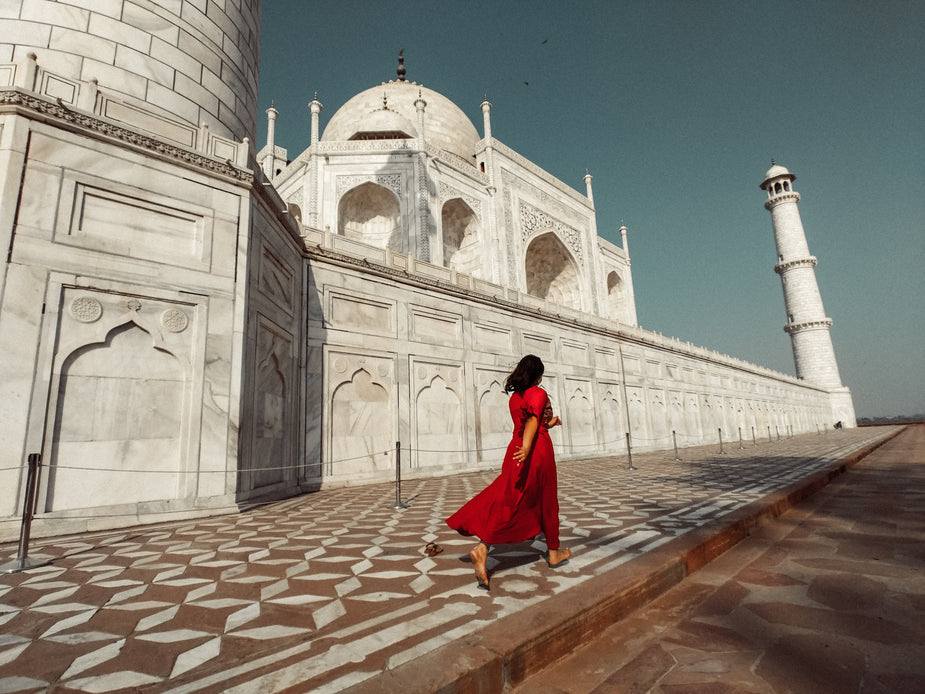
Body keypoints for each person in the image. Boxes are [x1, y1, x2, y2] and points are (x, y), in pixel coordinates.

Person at [445, 354, 571, 590]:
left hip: (514, 451)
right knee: (546, 500)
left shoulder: (515, 398)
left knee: (510, 500)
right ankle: (553, 553)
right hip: (534, 451)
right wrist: (527, 447)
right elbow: (533, 421)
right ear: (538, 375)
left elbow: (529, 421)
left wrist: (549, 424)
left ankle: (482, 549)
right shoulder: (538, 393)